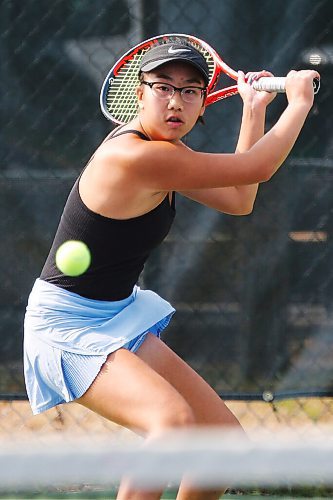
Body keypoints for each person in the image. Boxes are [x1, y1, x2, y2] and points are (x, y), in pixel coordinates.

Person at [23, 40, 319, 500]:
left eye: (190, 90)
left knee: (219, 444)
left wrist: (254, 109)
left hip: (116, 317)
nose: (176, 100)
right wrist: (298, 103)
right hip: (67, 327)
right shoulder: (137, 156)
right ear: (137, 95)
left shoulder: (167, 154)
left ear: (203, 104)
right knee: (172, 427)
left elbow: (240, 197)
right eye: (163, 87)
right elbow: (256, 166)